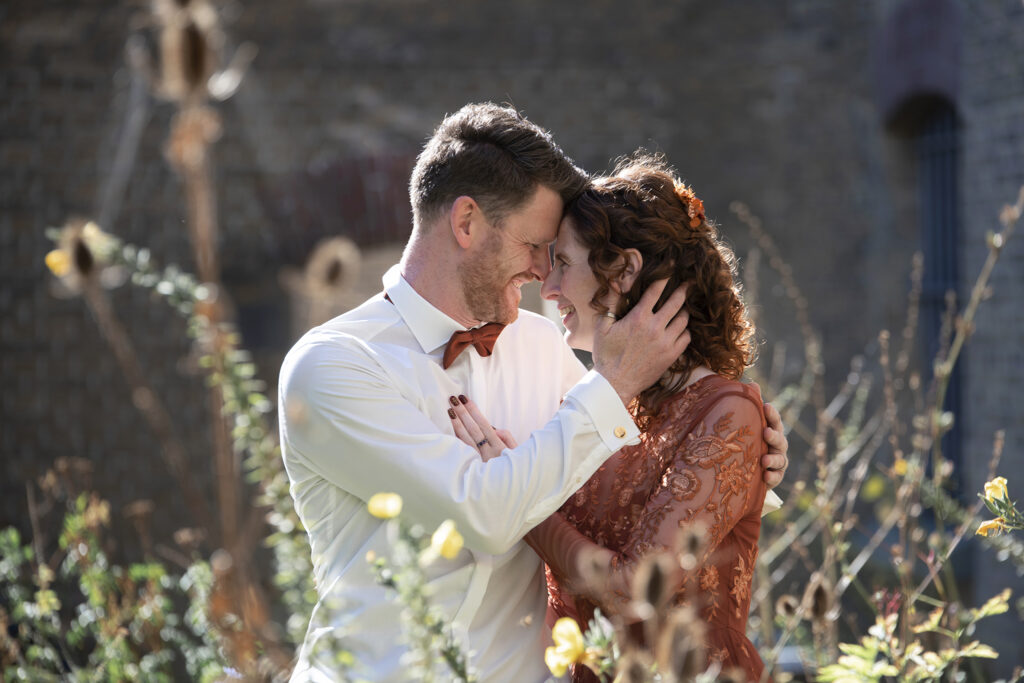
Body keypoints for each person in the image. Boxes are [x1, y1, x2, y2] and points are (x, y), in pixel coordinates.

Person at [278, 103, 788, 682]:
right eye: (533, 246)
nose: (544, 274)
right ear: (466, 223)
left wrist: (745, 460)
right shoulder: (333, 367)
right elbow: (484, 514)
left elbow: (629, 485)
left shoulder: (544, 346)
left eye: (555, 255)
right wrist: (615, 384)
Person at [450, 154, 772, 681]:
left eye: (564, 264)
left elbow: (632, 589)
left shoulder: (729, 413)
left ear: (623, 271)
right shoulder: (597, 402)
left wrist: (520, 501)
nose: (548, 287)